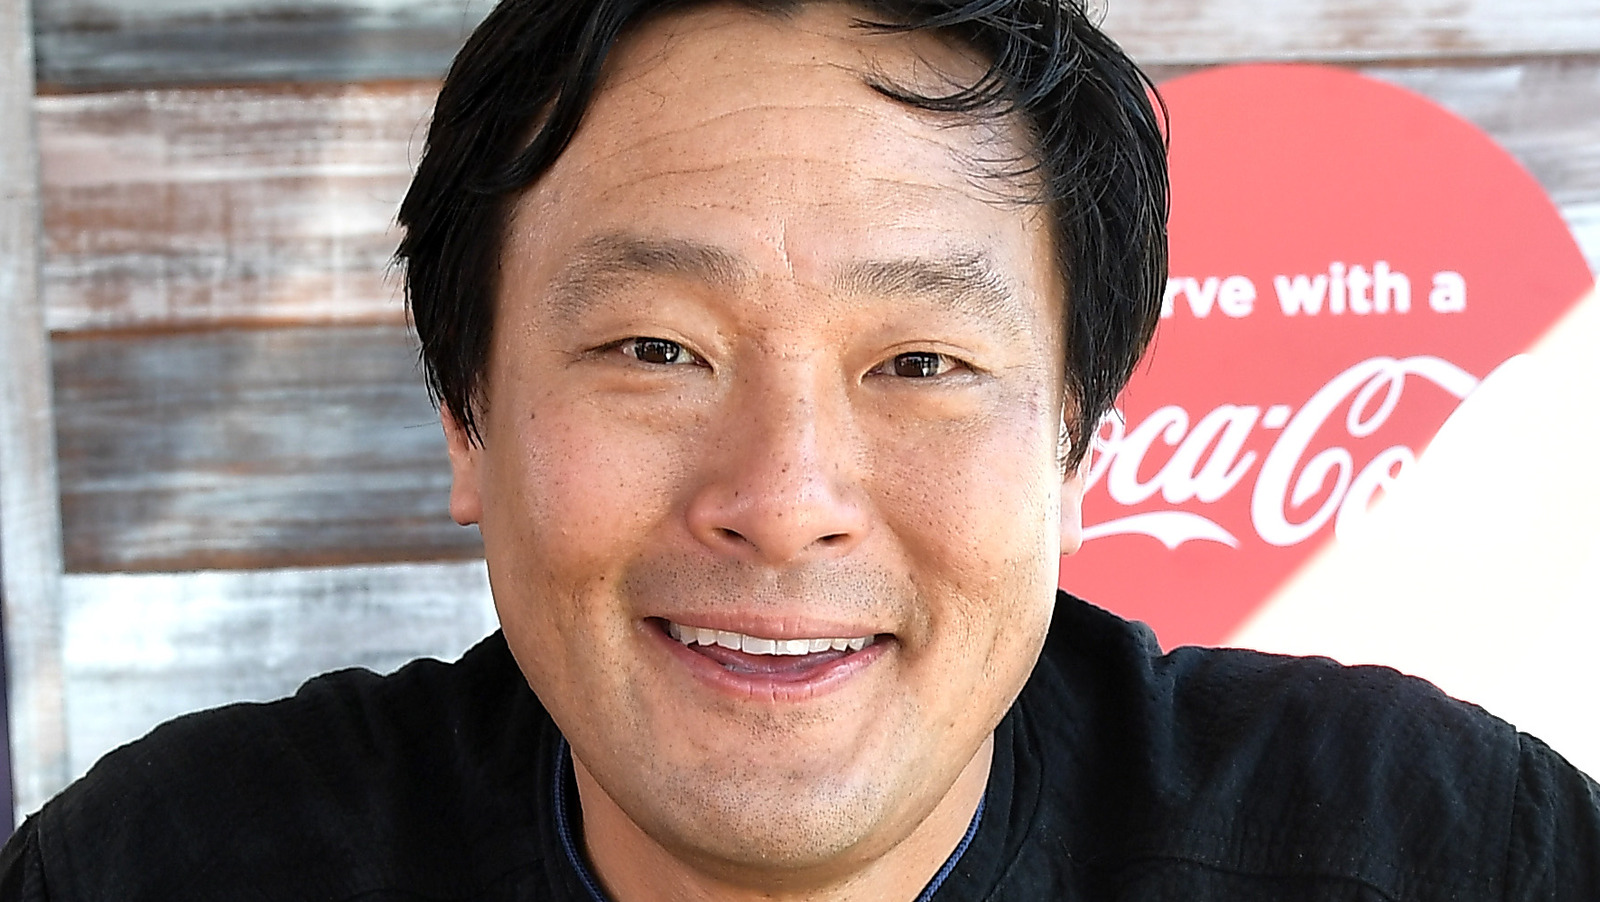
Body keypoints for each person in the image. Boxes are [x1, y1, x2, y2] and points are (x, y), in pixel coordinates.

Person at [2, 0, 1597, 898]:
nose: (782, 500)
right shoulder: (169, 866)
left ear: (1075, 442)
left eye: (921, 362)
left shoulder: (1439, 849)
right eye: (656, 349)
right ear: (464, 415)